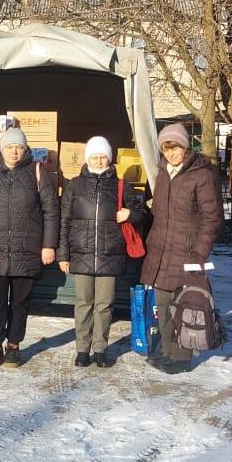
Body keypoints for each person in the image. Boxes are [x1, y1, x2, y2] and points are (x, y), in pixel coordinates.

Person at [0, 126, 59, 370]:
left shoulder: (37, 172)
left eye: (19, 147)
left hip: (26, 250)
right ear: (2, 148)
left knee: (20, 302)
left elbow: (51, 211)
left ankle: (13, 347)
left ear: (25, 149)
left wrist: (48, 245)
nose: (14, 152)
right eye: (10, 147)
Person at [57, 136, 148, 369]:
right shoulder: (75, 185)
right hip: (82, 254)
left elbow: (144, 215)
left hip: (110, 255)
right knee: (83, 303)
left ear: (109, 158)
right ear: (88, 158)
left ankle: (100, 349)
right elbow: (64, 220)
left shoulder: (121, 186)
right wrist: (63, 255)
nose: (99, 160)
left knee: (105, 305)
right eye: (95, 156)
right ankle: (81, 349)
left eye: (103, 156)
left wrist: (131, 214)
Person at [141, 123, 222, 375]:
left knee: (184, 306)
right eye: (166, 148)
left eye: (175, 147)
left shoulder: (201, 175)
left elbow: (212, 219)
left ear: (185, 147)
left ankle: (181, 356)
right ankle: (168, 350)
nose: (171, 152)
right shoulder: (163, 172)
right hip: (161, 251)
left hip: (186, 253)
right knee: (163, 305)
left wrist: (199, 253)